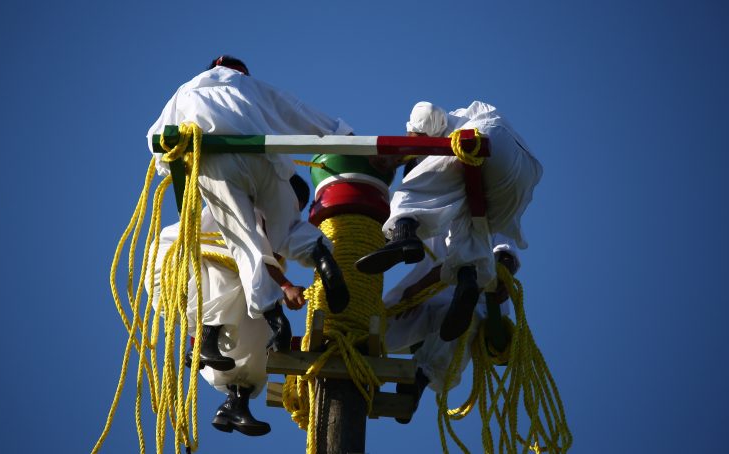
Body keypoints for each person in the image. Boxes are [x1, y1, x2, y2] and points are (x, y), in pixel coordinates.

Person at [146, 55, 353, 350]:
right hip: (262, 155)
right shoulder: (250, 87)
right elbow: (293, 110)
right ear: (240, 72)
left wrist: (178, 166)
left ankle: (276, 322)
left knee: (245, 247)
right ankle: (322, 258)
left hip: (216, 163)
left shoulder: (186, 91)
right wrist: (341, 134)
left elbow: (158, 142)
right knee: (289, 228)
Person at [357, 101, 542, 342]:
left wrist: (399, 153)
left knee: (409, 191)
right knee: (473, 226)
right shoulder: (458, 207)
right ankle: (468, 278)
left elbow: (427, 113)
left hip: (489, 141)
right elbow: (506, 249)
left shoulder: (459, 118)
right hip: (519, 182)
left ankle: (403, 234)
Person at [146, 175, 311, 436]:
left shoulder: (274, 251)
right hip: (178, 267)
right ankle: (205, 341)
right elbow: (251, 254)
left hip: (206, 287)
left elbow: (261, 271)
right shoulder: (245, 207)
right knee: (235, 275)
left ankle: (236, 402)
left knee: (258, 330)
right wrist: (285, 287)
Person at [384, 233, 520, 423]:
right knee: (379, 324)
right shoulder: (437, 207)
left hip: (472, 295)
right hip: (426, 293)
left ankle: (417, 380)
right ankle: (356, 346)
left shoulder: (495, 215)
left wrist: (504, 276)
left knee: (462, 324)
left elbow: (506, 254)